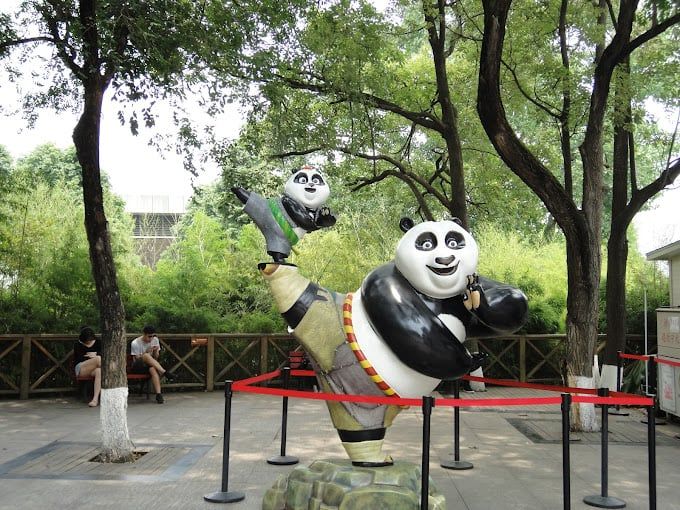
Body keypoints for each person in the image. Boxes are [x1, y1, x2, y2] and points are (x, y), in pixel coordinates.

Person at [130, 325, 176, 403]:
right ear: (144, 334)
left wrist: (156, 351)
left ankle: (158, 395)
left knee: (152, 369)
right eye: (149, 336)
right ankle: (165, 372)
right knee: (146, 356)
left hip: (150, 365)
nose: (151, 338)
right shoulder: (135, 343)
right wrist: (146, 352)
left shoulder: (155, 340)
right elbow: (136, 358)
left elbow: (156, 358)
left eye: (153, 336)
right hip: (138, 366)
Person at [73, 326, 102, 407]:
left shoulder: (98, 342)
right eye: (87, 340)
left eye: (90, 340)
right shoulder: (78, 344)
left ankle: (95, 399)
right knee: (98, 359)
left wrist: (95, 354)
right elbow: (79, 358)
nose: (89, 341)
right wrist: (92, 358)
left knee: (99, 371)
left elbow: (103, 353)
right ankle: (112, 371)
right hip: (81, 368)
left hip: (96, 367)